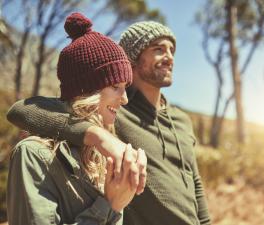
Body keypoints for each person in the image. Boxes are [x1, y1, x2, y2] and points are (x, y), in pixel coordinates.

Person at [7, 21, 211, 225]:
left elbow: (195, 182)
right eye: (158, 49)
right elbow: (23, 109)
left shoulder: (182, 120)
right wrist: (97, 134)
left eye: (172, 50)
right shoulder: (117, 114)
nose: (169, 57)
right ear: (134, 58)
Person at [6, 13, 147, 225]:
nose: (125, 99)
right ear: (87, 90)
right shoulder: (34, 155)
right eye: (116, 87)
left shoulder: (102, 157)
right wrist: (110, 205)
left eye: (125, 88)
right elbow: (18, 110)